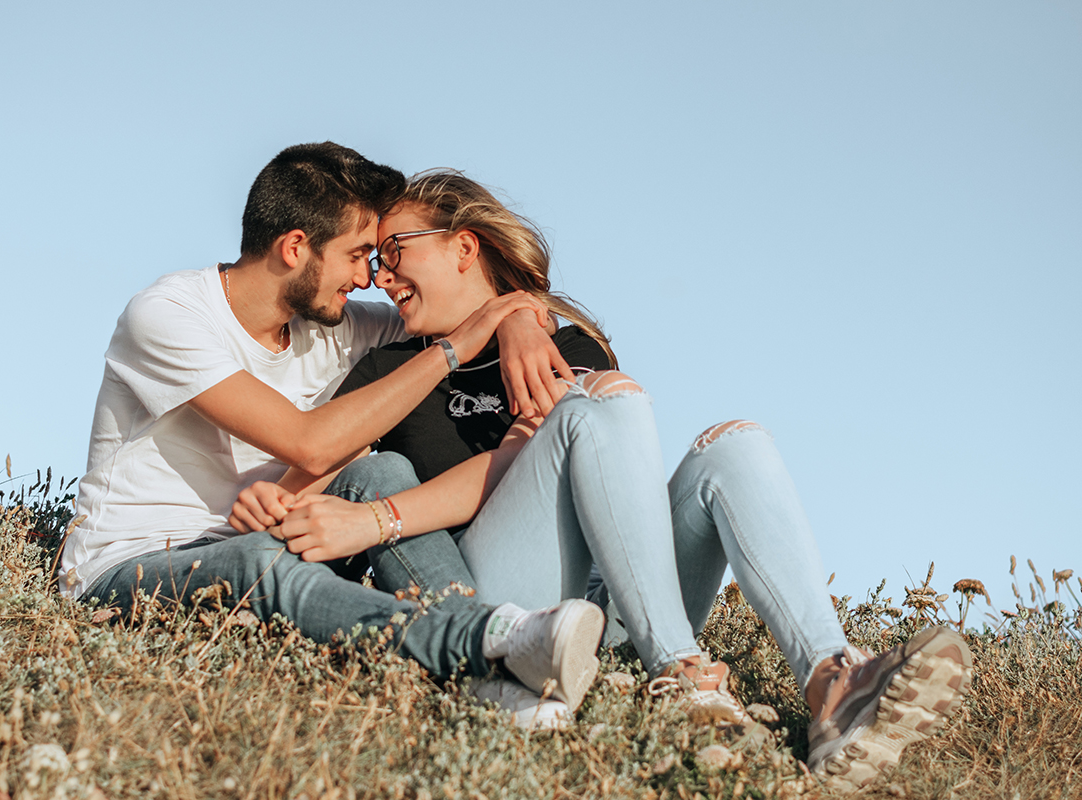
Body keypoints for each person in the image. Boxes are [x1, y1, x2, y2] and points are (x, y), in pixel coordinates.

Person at [229, 170, 974, 791]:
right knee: (603, 403)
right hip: (505, 602)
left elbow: (535, 448)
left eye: (395, 251)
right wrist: (277, 504)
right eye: (375, 259)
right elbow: (311, 475)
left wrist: (519, 320)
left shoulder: (561, 341)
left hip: (619, 604)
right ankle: (680, 674)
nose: (381, 276)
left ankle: (831, 682)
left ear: (463, 246)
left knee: (734, 447)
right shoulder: (395, 368)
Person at [59, 144, 607, 723]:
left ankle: (486, 662)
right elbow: (310, 443)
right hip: (131, 566)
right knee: (254, 561)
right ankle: (492, 645)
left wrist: (520, 321)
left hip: (273, 532)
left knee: (382, 472)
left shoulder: (336, 326)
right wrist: (452, 351)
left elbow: (466, 306)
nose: (368, 278)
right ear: (296, 247)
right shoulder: (168, 315)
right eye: (358, 255)